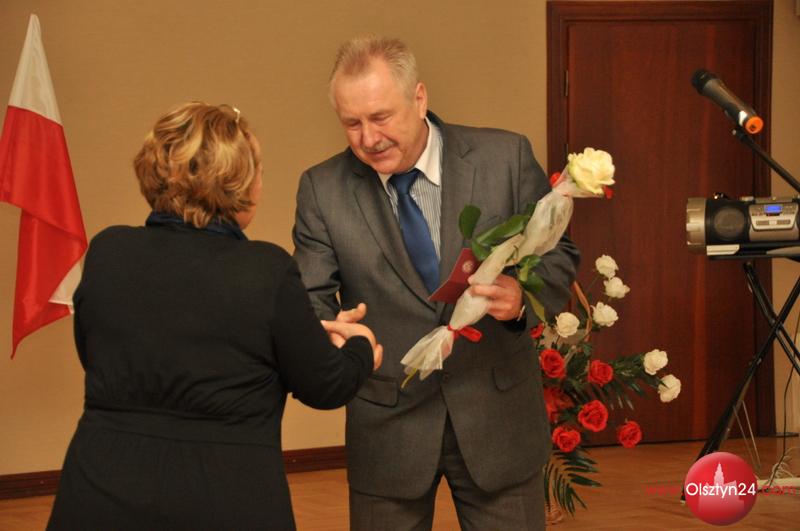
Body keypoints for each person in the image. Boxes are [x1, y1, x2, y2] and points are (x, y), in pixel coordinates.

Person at [47, 102, 382, 530]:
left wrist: (296, 334)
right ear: (237, 183)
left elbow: (104, 351)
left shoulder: (109, 252)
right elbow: (325, 385)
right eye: (257, 171)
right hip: (223, 499)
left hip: (99, 494)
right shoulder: (264, 269)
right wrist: (359, 347)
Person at [292, 36, 580, 530]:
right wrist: (332, 333)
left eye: (381, 117)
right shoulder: (322, 189)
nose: (368, 138)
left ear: (419, 97)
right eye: (352, 123)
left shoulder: (505, 157)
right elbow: (311, 301)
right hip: (389, 429)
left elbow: (558, 255)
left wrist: (521, 300)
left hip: (497, 420)